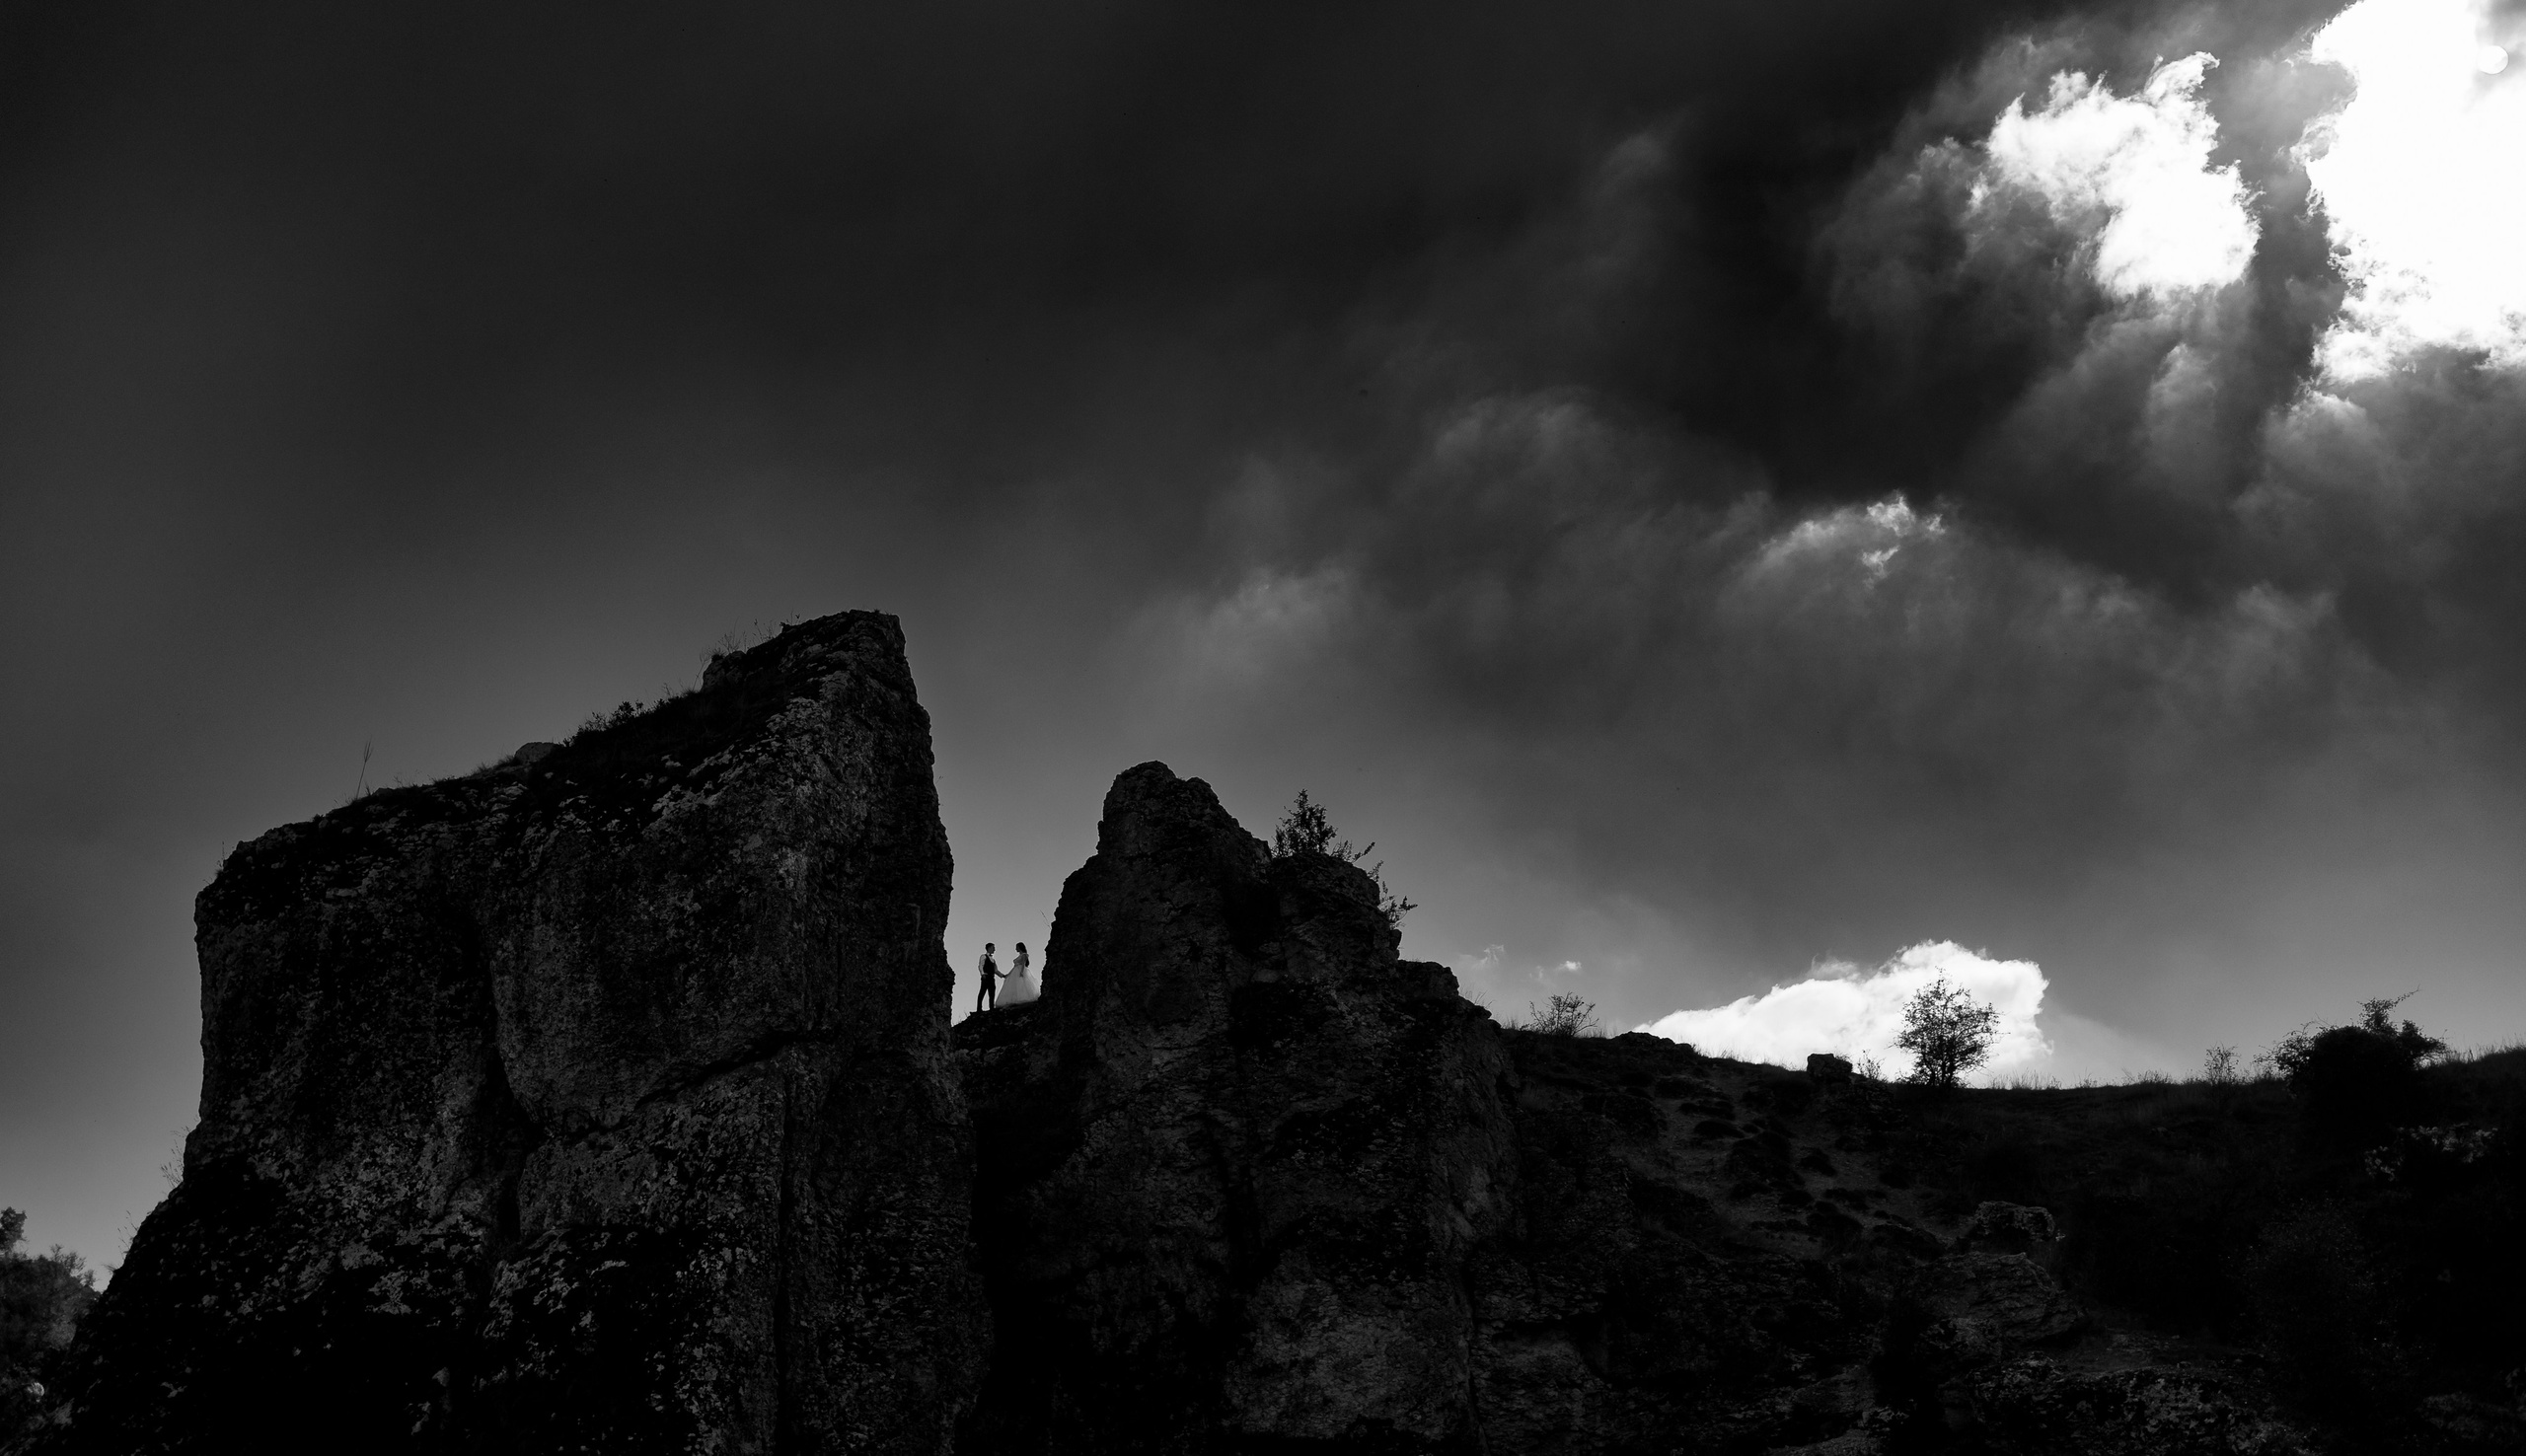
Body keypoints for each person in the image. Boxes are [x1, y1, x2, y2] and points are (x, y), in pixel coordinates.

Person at [998, 941, 1039, 1007]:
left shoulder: (1024, 955)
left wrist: (1022, 972)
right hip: (1015, 970)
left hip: (1020, 970)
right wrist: (1008, 974)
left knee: (1021, 984)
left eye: (1016, 947)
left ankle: (1023, 998)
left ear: (1020, 947)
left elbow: (1023, 964)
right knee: (1015, 985)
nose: (1016, 949)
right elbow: (1014, 967)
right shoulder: (1020, 955)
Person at [975, 942, 1001, 1013]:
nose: (994, 949)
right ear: (989, 948)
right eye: (993, 947)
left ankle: (991, 1008)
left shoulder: (993, 960)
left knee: (992, 993)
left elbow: (995, 970)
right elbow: (980, 965)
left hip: (992, 978)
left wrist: (1003, 975)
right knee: (982, 992)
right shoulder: (983, 956)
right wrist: (982, 974)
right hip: (986, 976)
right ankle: (979, 1009)